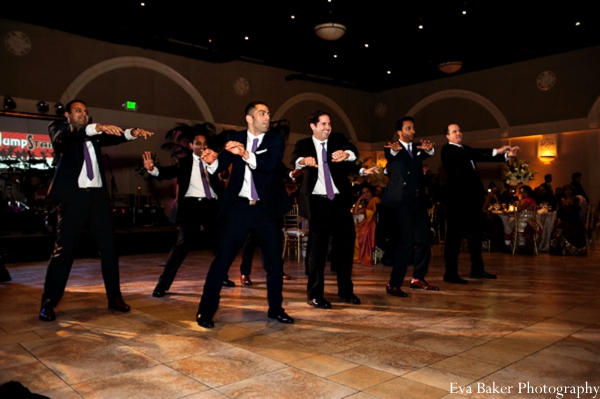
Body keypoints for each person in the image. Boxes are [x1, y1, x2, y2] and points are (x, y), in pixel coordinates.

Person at [39, 100, 153, 322]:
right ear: (67, 115)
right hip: (74, 198)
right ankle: (48, 303)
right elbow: (67, 135)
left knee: (109, 249)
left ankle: (115, 298)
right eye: (78, 111)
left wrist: (133, 132)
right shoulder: (60, 129)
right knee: (64, 251)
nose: (83, 114)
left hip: (97, 198)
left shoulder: (94, 135)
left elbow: (115, 136)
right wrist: (96, 127)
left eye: (86, 111)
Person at [195, 101, 293, 328]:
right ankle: (205, 312)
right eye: (262, 113)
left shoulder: (275, 139)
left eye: (268, 113)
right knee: (222, 261)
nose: (267, 117)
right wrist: (212, 162)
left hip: (266, 210)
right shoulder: (235, 137)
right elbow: (222, 163)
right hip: (239, 208)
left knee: (274, 265)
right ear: (249, 119)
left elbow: (269, 164)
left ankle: (276, 309)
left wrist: (245, 153)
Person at [291, 111, 377, 309]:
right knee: (318, 252)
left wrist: (346, 154)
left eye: (329, 123)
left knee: (346, 248)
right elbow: (294, 158)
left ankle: (346, 291)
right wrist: (303, 161)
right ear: (313, 126)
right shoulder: (304, 144)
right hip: (317, 204)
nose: (327, 127)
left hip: (339, 203)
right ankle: (315, 295)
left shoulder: (337, 139)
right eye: (322, 123)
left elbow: (351, 152)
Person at [143, 124, 227, 298]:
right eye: (198, 143)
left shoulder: (213, 160)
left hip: (212, 206)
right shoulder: (184, 162)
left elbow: (224, 176)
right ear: (191, 145)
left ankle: (223, 277)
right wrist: (153, 169)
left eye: (204, 143)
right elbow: (168, 172)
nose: (202, 147)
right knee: (181, 246)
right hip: (192, 207)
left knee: (220, 245)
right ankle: (163, 284)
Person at [441, 123, 519, 284]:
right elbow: (474, 153)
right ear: (447, 136)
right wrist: (497, 150)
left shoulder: (465, 150)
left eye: (460, 130)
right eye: (454, 131)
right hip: (457, 201)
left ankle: (477, 270)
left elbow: (478, 156)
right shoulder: (448, 150)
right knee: (454, 238)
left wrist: (506, 156)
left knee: (475, 236)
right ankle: (450, 274)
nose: (458, 133)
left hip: (472, 200)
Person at [380, 116, 438, 297]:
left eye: (413, 128)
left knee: (426, 240)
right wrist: (396, 150)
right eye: (408, 128)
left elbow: (428, 152)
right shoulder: (392, 147)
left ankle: (417, 278)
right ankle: (393, 284)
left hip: (418, 201)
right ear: (400, 132)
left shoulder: (417, 149)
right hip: (401, 201)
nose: (412, 131)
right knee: (406, 242)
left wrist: (431, 148)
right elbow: (391, 155)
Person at [550, 184, 587, 255]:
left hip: (574, 220)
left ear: (572, 191)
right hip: (564, 220)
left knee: (570, 229)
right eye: (566, 189)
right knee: (557, 228)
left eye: (569, 190)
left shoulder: (576, 199)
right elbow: (559, 212)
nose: (568, 191)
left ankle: (573, 249)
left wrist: (571, 204)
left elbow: (577, 210)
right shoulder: (561, 200)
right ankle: (559, 249)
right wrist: (559, 219)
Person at [353, 185, 380, 265]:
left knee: (359, 234)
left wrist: (366, 211)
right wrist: (359, 199)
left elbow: (376, 212)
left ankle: (360, 256)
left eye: (367, 192)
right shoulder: (365, 205)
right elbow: (355, 212)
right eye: (363, 193)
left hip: (373, 223)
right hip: (366, 223)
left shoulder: (375, 199)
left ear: (371, 192)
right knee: (354, 231)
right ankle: (356, 257)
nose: (366, 194)